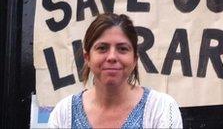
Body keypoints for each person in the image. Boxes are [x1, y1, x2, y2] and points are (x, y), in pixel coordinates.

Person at [48, 12, 183, 128]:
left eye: (122, 49)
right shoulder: (64, 113)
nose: (112, 57)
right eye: (102, 48)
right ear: (87, 57)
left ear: (135, 59)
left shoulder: (161, 109)